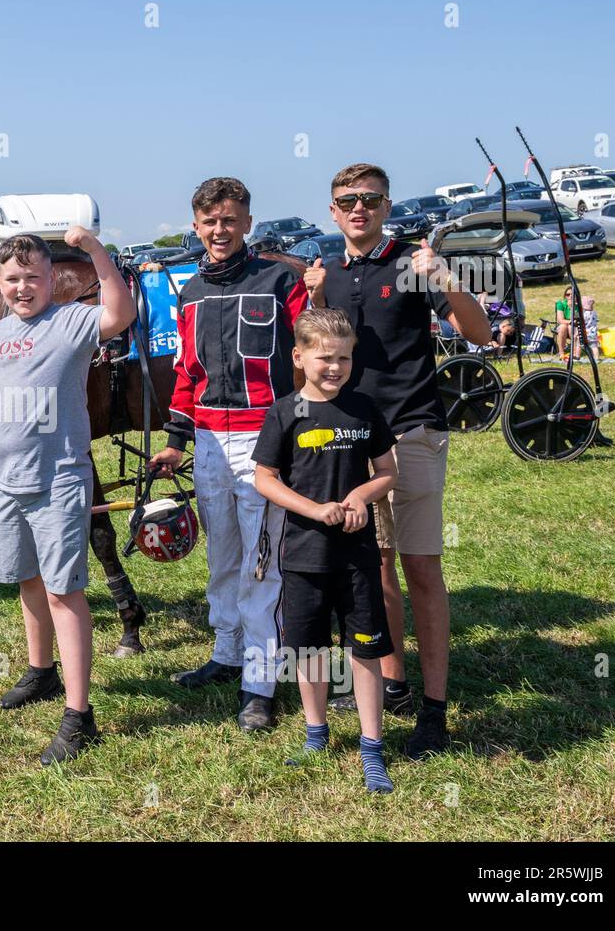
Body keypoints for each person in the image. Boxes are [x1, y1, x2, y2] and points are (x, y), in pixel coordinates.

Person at [302, 162, 490, 758]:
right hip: (354, 442)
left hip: (412, 434)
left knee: (422, 572)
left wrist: (448, 278)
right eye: (347, 200)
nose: (358, 208)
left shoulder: (414, 264)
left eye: (370, 199)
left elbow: (480, 335)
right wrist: (312, 299)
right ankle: (394, 682)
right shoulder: (328, 270)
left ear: (387, 206)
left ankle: (434, 711)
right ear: (333, 211)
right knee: (375, 568)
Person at [148, 177, 311, 732]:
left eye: (230, 219)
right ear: (196, 226)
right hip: (212, 445)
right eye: (209, 221)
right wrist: (175, 441)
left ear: (247, 222)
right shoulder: (189, 292)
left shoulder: (280, 280)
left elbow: (310, 358)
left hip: (267, 439)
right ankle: (227, 651)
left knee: (262, 562)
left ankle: (261, 682)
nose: (220, 230)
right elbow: (187, 376)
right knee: (222, 553)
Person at [0, 228, 135, 765]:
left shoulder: (70, 321)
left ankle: (79, 715)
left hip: (59, 478)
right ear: (0, 282)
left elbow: (120, 313)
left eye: (33, 278)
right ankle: (41, 672)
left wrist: (94, 250)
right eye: (13, 279)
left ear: (50, 279)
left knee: (64, 591)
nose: (23, 288)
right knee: (28, 580)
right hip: (9, 480)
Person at [253, 308, 398, 792]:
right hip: (304, 556)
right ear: (299, 357)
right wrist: (314, 510)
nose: (334, 367)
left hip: (357, 557)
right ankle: (317, 733)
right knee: (311, 650)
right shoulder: (284, 412)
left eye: (344, 358)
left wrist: (361, 496)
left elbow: (387, 472)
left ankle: (372, 746)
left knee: (364, 650)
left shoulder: (364, 410)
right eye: (323, 358)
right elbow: (265, 478)